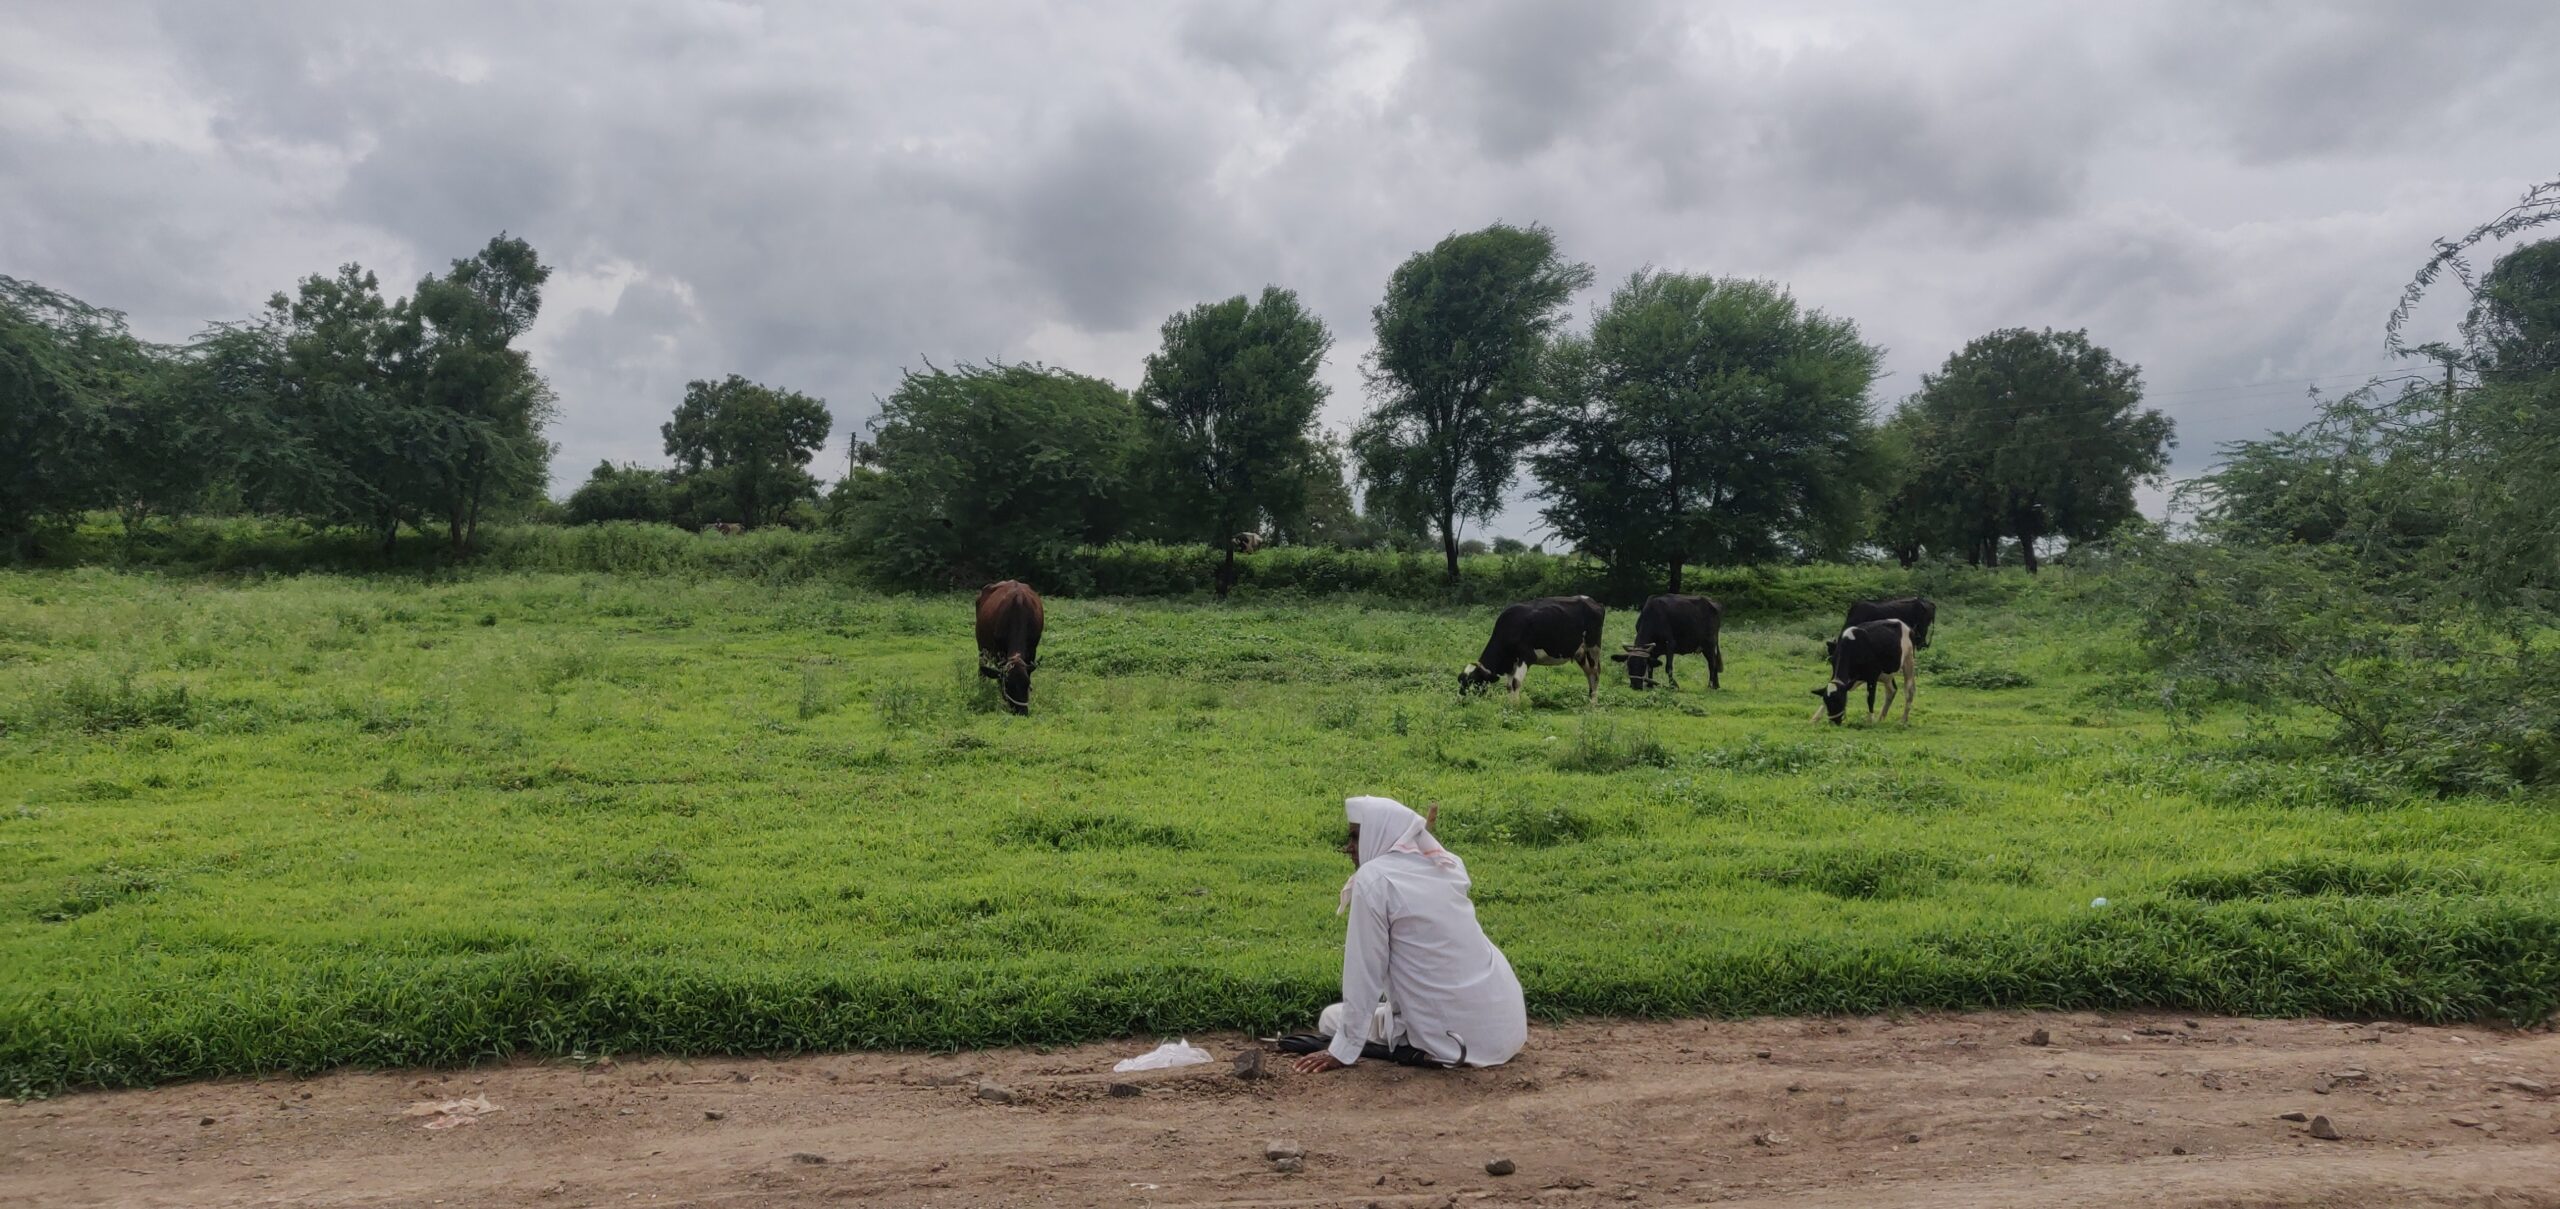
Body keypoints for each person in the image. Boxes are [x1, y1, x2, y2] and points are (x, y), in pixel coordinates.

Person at [1292, 795, 1528, 1073]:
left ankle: (1415, 1044)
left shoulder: (1375, 879)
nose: (1350, 848)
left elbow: (1365, 970)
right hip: (1506, 1026)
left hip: (1451, 1039)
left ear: (1380, 834)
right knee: (1341, 1016)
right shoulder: (1448, 865)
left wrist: (1343, 1048)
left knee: (1330, 1020)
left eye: (1356, 837)